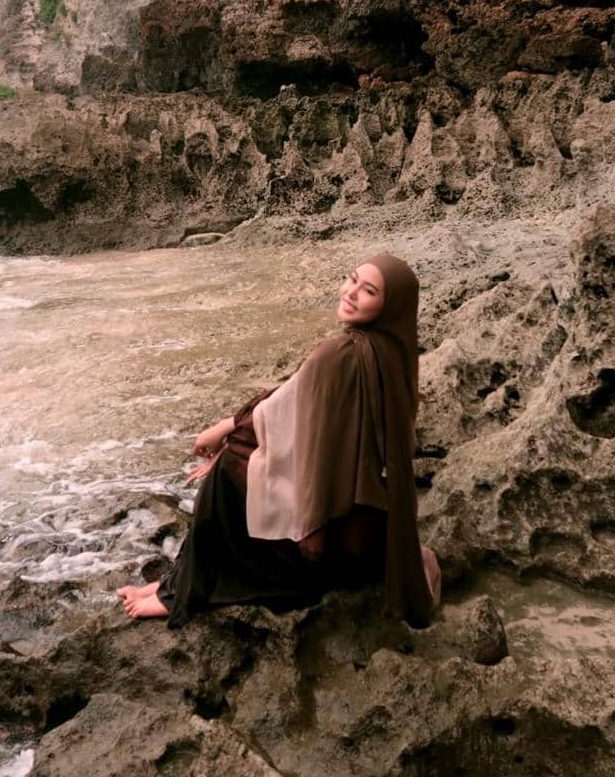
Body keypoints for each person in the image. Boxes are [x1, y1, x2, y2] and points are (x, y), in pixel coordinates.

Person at [117, 254, 441, 628]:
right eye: (351, 280)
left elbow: (276, 412)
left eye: (367, 291)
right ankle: (178, 580)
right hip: (367, 518)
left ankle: (185, 590)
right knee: (245, 450)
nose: (351, 293)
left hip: (332, 537)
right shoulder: (394, 350)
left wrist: (224, 434)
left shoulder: (340, 353)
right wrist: (231, 427)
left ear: (389, 304)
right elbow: (291, 397)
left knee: (229, 468)